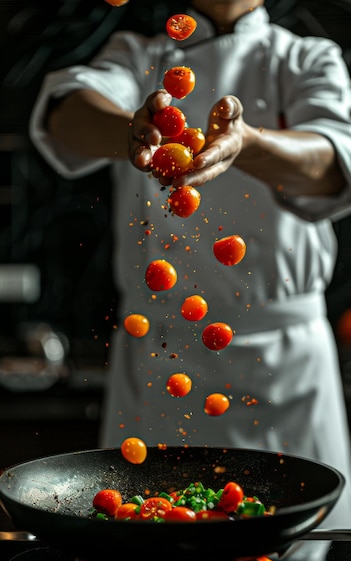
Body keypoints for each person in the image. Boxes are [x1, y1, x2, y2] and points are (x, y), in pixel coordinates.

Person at [29, 0, 351, 529]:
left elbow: (330, 163)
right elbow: (66, 115)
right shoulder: (140, 55)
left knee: (300, 553)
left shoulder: (306, 57)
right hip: (161, 352)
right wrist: (132, 132)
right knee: (146, 549)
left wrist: (247, 143)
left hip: (283, 362)